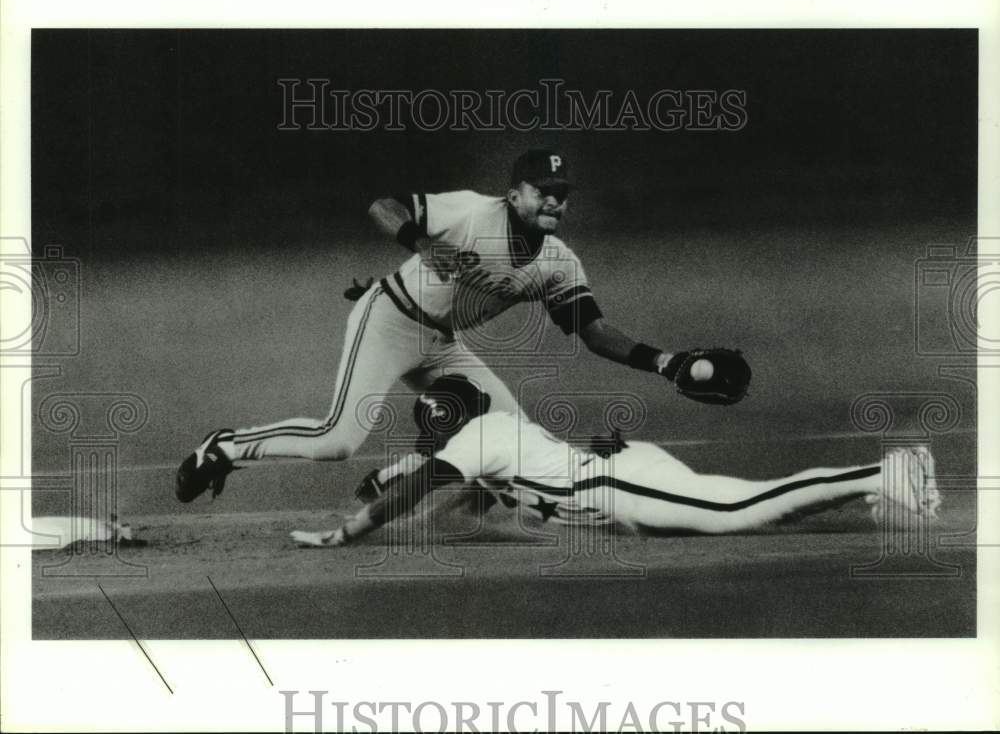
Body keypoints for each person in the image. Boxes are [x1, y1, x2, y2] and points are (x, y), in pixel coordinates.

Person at [176, 149, 746, 503]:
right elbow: (384, 205)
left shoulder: (557, 262)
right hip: (389, 319)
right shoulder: (474, 211)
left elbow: (593, 331)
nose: (553, 198)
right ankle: (225, 446)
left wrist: (665, 360)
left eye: (562, 193)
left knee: (518, 446)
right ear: (514, 192)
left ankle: (406, 475)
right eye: (542, 190)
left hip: (443, 344)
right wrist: (419, 242)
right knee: (338, 440)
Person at [290, 374, 942, 547]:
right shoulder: (485, 443)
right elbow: (452, 501)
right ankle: (876, 488)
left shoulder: (478, 437)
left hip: (620, 484)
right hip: (621, 474)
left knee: (739, 511)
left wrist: (350, 530)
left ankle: (888, 472)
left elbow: (420, 492)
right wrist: (396, 482)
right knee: (744, 509)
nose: (431, 427)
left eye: (435, 417)